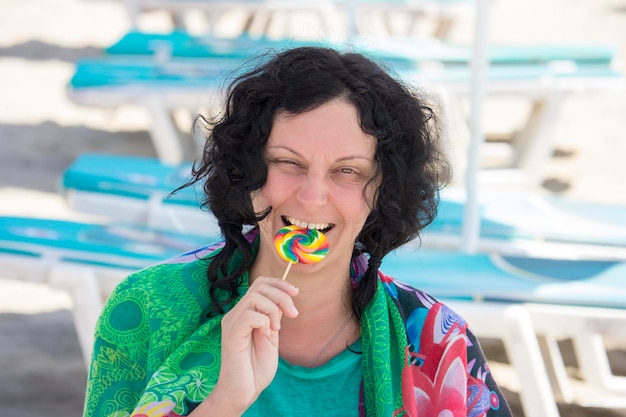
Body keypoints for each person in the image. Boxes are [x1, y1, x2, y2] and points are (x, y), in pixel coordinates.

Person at [83, 46, 512, 417]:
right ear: (246, 169)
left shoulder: (437, 341)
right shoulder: (145, 309)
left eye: (348, 171)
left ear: (383, 191)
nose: (311, 197)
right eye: (288, 163)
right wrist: (223, 402)